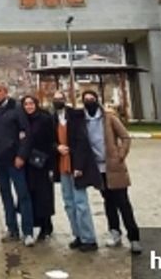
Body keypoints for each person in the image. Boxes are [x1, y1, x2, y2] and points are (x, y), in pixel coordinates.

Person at [82, 90, 142, 253]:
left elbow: (125, 137)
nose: (89, 102)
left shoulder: (109, 117)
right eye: (86, 99)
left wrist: (120, 155)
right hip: (98, 169)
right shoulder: (83, 121)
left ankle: (134, 238)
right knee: (108, 201)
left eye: (92, 99)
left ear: (97, 100)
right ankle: (114, 232)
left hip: (114, 167)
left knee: (123, 202)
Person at [52, 90, 99, 252]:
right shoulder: (53, 118)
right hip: (62, 165)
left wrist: (79, 166)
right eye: (55, 99)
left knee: (81, 203)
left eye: (60, 98)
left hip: (76, 165)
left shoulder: (75, 116)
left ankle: (89, 238)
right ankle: (78, 235)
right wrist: (57, 147)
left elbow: (82, 142)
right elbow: (50, 140)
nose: (57, 101)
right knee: (68, 203)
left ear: (65, 100)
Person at [0, 82, 34, 244]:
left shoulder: (17, 109)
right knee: (5, 195)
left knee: (23, 195)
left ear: (6, 92)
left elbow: (26, 133)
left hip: (15, 160)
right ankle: (12, 229)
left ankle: (28, 232)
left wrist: (21, 155)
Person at [22, 94, 57, 243]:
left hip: (42, 162)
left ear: (36, 104)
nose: (29, 107)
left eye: (31, 103)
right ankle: (36, 223)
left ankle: (46, 226)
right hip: (28, 163)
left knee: (44, 195)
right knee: (32, 194)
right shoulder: (23, 120)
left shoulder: (44, 119)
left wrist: (51, 164)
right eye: (26, 104)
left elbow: (51, 140)